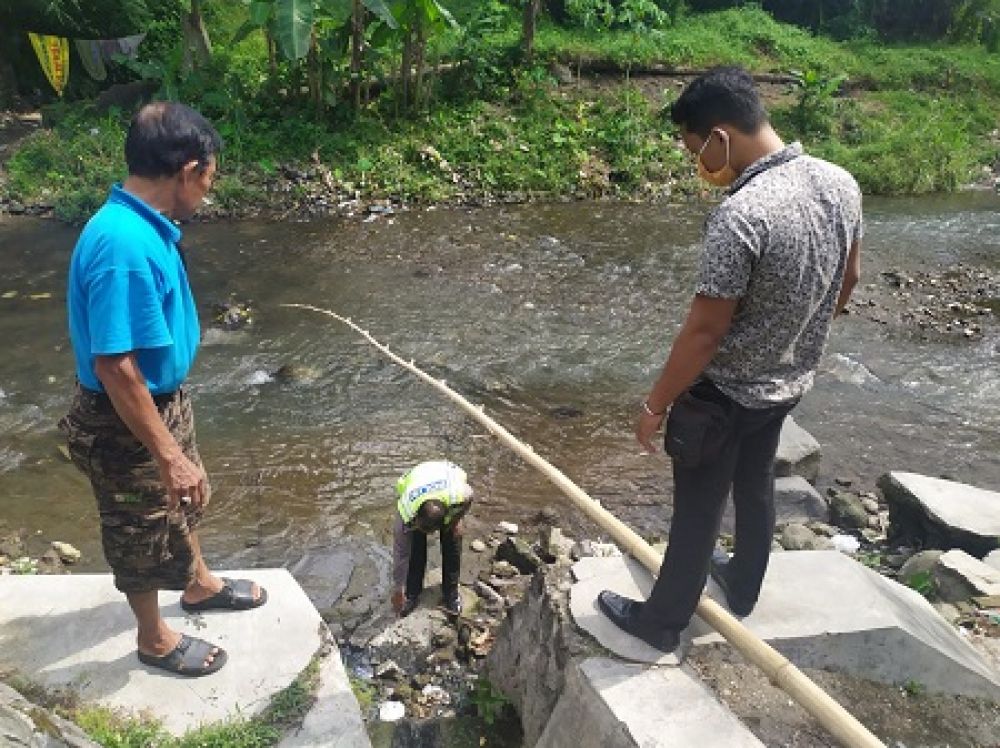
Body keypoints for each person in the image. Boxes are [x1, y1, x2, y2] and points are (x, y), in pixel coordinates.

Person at [598, 66, 862, 652]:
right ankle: (743, 585)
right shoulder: (840, 182)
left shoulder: (742, 214)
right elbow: (849, 280)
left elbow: (704, 332)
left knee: (697, 507)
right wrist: (799, 331)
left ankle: (662, 622)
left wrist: (654, 405)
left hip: (723, 396)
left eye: (697, 150)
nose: (700, 164)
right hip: (789, 382)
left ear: (721, 136)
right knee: (756, 483)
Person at [58, 102, 266, 677]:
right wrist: (166, 453)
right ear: (189, 169)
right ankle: (153, 638)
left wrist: (176, 452)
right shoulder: (123, 245)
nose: (208, 191)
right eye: (209, 178)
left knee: (183, 499)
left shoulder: (142, 226)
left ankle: (198, 585)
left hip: (159, 401)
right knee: (140, 527)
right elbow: (116, 367)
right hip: (123, 416)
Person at [391, 460, 473, 617]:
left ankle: (451, 593)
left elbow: (470, 496)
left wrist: (456, 519)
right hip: (418, 478)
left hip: (447, 473)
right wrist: (398, 588)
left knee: (453, 544)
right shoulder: (406, 512)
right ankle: (412, 593)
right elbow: (401, 554)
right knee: (415, 550)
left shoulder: (457, 495)